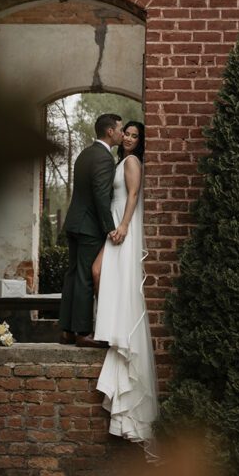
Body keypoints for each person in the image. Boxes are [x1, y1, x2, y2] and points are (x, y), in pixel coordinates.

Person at [92, 121, 158, 449]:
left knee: (105, 274)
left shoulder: (132, 163)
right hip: (117, 230)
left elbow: (133, 194)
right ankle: (113, 331)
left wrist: (124, 226)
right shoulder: (122, 161)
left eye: (135, 136)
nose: (129, 139)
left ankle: (119, 334)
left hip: (124, 230)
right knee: (100, 273)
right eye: (127, 134)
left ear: (140, 141)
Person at [59, 113, 124, 348]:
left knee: (73, 275)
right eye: (120, 129)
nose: (122, 133)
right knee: (86, 277)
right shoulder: (105, 158)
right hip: (89, 227)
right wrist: (110, 228)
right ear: (110, 131)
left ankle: (66, 331)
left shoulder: (85, 154)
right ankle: (83, 332)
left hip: (74, 222)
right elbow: (100, 195)